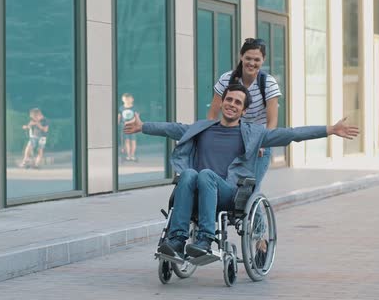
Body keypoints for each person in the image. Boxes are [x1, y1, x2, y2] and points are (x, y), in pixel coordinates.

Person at [123, 84, 359, 259]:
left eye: (238, 102)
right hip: (196, 189)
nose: (232, 104)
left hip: (228, 192)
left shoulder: (255, 134)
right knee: (188, 174)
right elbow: (173, 128)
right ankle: (176, 241)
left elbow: (292, 134)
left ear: (244, 110)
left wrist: (329, 129)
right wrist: (143, 126)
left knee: (204, 174)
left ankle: (205, 240)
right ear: (222, 102)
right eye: (229, 99)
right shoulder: (202, 128)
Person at [208, 38, 281, 191]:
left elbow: (272, 120)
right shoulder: (226, 79)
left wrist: (263, 143)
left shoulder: (268, 83)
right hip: (232, 137)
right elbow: (212, 115)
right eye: (248, 58)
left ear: (263, 60)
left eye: (257, 59)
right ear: (241, 56)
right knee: (224, 185)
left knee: (249, 191)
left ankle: (255, 215)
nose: (251, 63)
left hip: (258, 140)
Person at [118, 93, 139, 161]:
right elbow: (119, 117)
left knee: (133, 141)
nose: (127, 101)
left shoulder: (134, 108)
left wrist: (128, 122)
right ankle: (128, 155)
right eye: (125, 99)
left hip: (133, 126)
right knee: (126, 141)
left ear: (132, 99)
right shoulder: (121, 108)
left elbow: (136, 118)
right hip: (124, 127)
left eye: (128, 99)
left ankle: (132, 155)